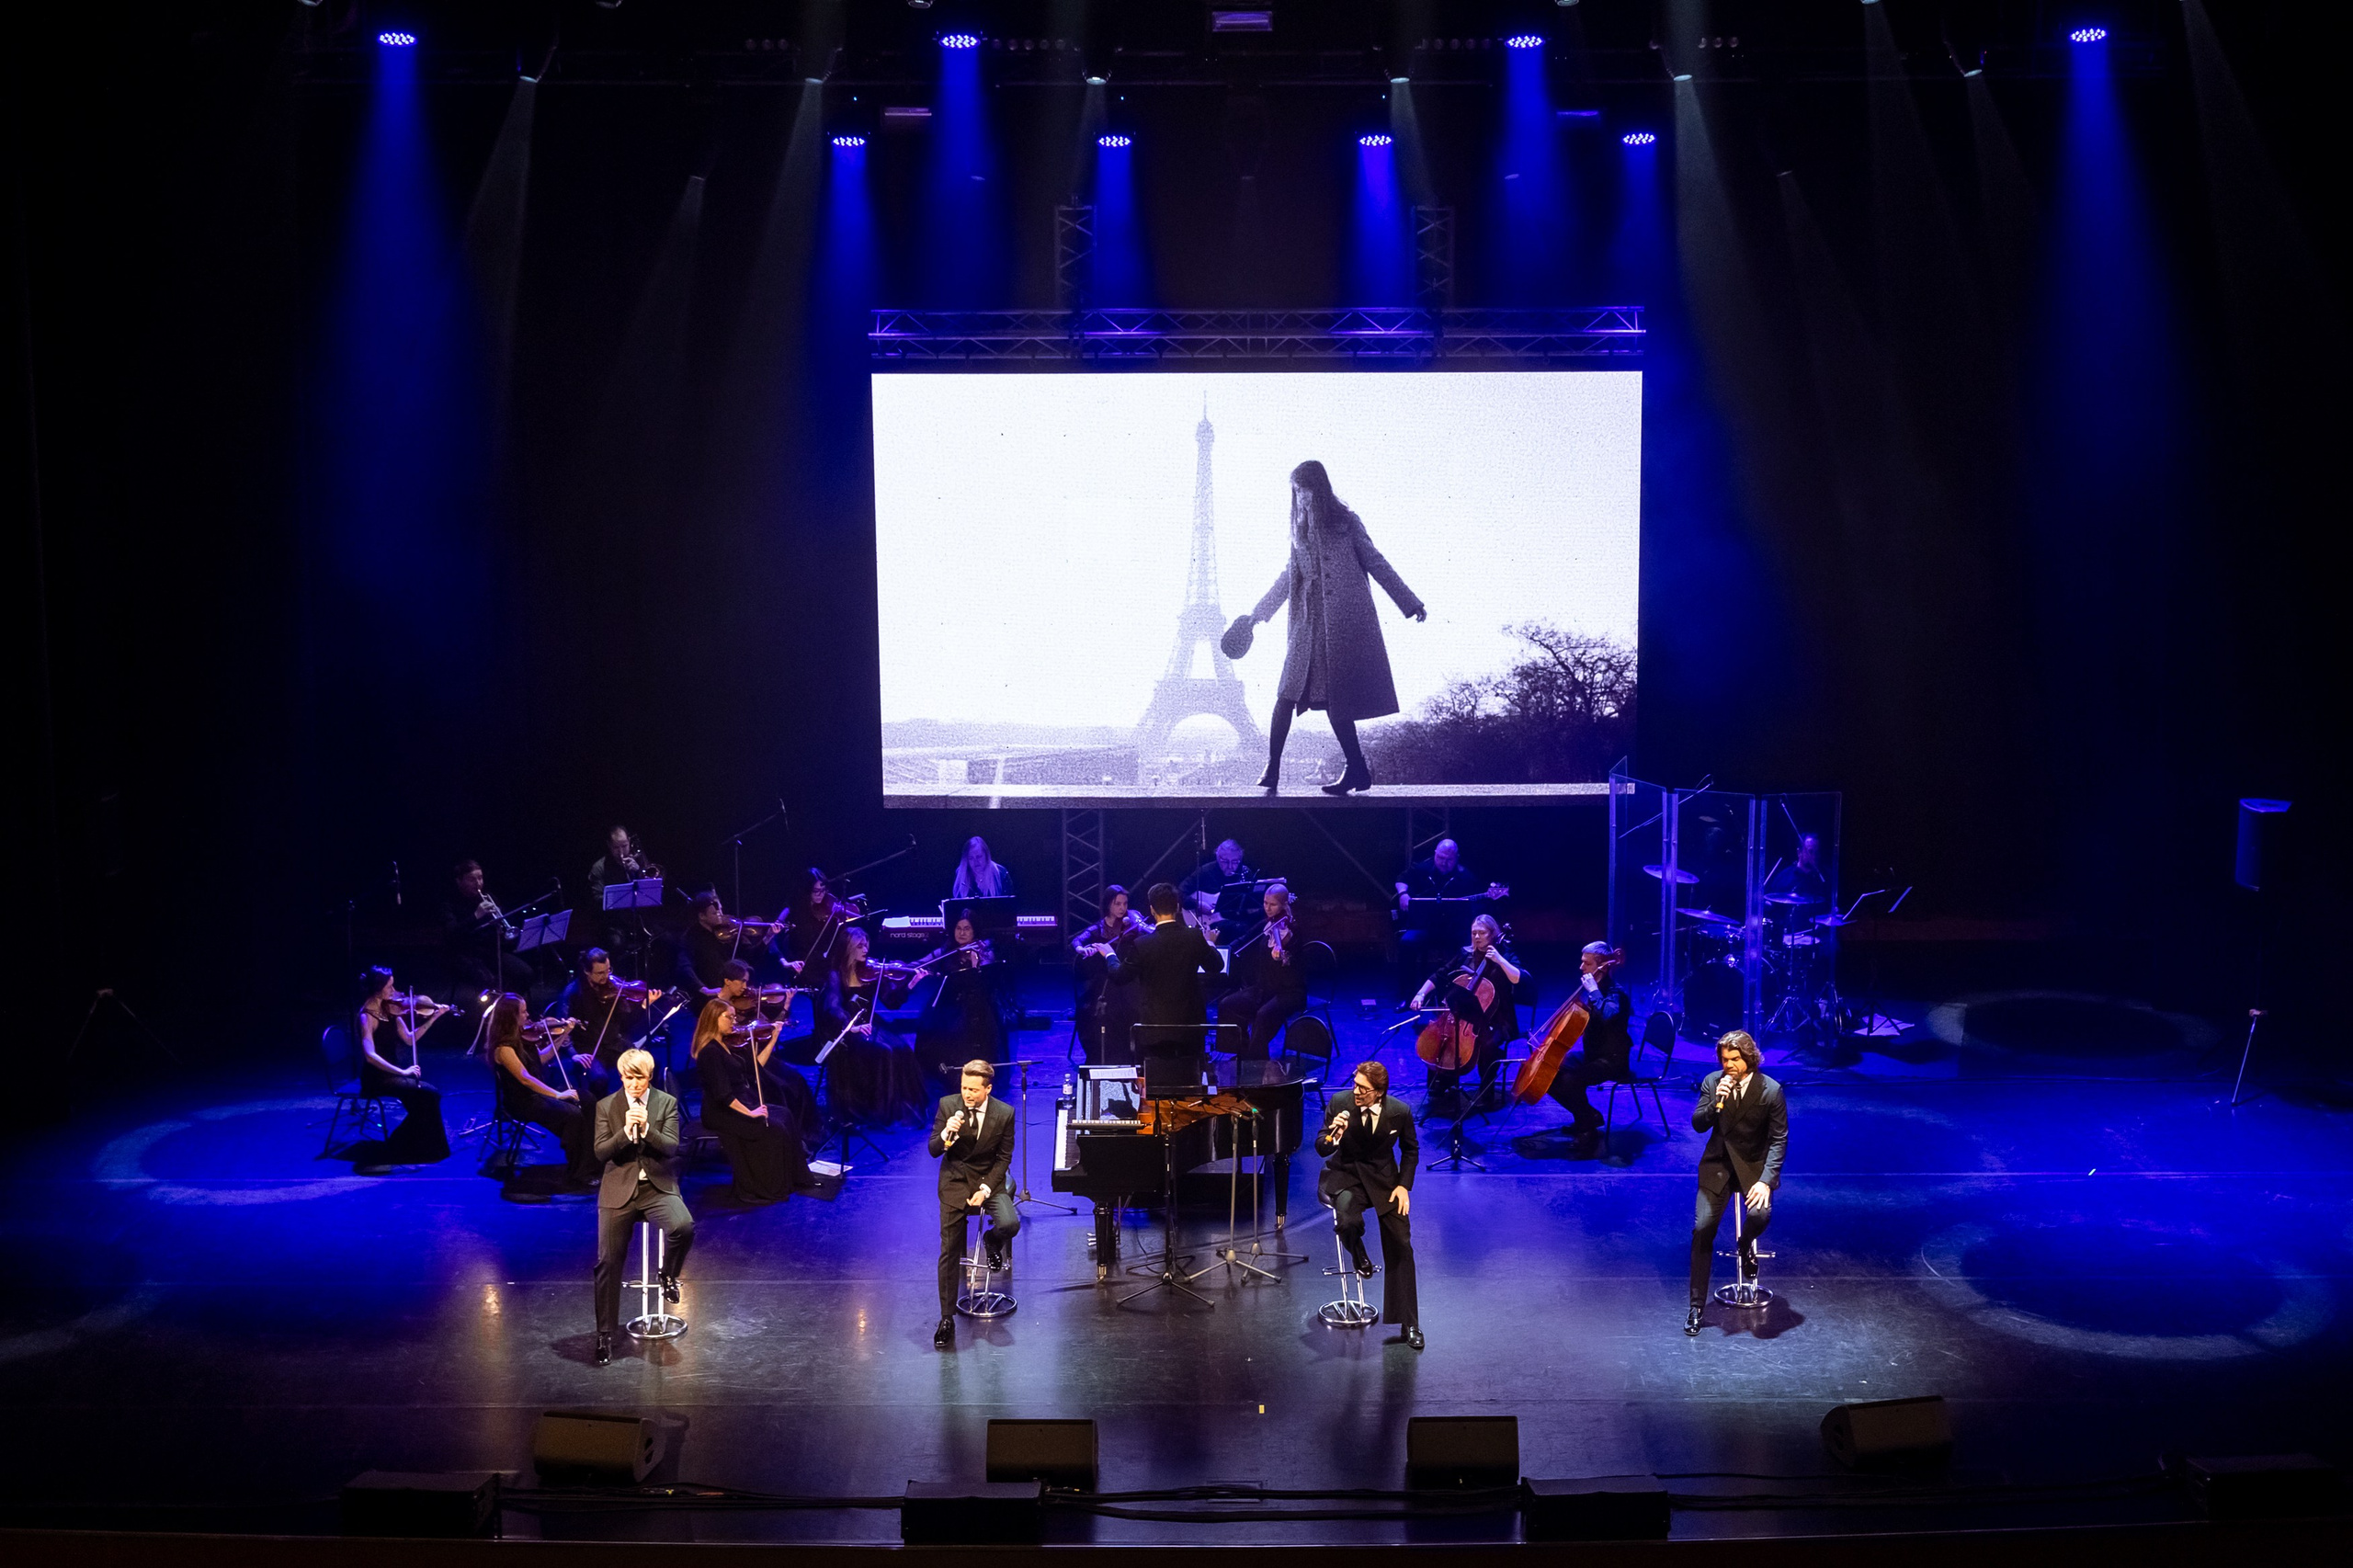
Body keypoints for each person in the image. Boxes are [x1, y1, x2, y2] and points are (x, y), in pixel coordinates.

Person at [1240, 460, 1427, 796]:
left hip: (1340, 626)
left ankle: (1356, 768)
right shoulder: (1298, 532)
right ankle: (1273, 767)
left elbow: (1375, 560)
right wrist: (1256, 615)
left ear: (1318, 488)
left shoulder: (1346, 523)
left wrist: (1409, 601)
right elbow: (1287, 578)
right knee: (1286, 694)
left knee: (1336, 702)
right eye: (1296, 491)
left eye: (1304, 489)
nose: (1300, 497)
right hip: (1306, 626)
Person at [592, 1048, 692, 1367]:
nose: (633, 1084)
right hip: (619, 1190)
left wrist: (648, 1129)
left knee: (682, 1226)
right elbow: (600, 1152)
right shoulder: (606, 1106)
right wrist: (625, 1132)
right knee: (608, 1261)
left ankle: (668, 1275)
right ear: (621, 1076)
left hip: (656, 1187)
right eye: (627, 1077)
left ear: (649, 1077)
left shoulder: (666, 1103)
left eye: (639, 1078)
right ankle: (605, 1335)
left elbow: (673, 1147)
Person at [1314, 1060, 1421, 1349]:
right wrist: (1333, 1136)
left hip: (1384, 1181)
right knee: (1348, 1221)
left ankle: (1409, 1323)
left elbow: (1411, 1150)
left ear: (1379, 1092)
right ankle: (1359, 1253)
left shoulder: (1399, 1112)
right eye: (1356, 1084)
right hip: (1346, 1175)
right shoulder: (1340, 1102)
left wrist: (1403, 1186)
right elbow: (1320, 1145)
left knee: (1401, 1243)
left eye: (1363, 1088)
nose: (1356, 1091)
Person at [1687, 1030, 1788, 1335]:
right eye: (1724, 1059)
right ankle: (1695, 1307)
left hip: (1753, 1167)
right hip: (1717, 1165)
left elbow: (1778, 1140)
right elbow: (1698, 1124)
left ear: (1748, 1058)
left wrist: (1766, 1181)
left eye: (1734, 1059)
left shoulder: (1770, 1090)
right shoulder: (1713, 1082)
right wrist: (1717, 1102)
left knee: (1759, 1216)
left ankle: (1745, 1247)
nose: (1728, 1065)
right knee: (1702, 1228)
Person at [692, 979, 811, 1205]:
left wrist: (773, 1038)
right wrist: (751, 1113)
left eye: (734, 1017)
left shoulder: (727, 1044)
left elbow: (755, 1067)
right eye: (729, 1017)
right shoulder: (709, 1052)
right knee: (773, 1128)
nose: (734, 1021)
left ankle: (794, 1178)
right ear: (713, 1019)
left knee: (784, 1114)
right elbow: (722, 1096)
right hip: (721, 1112)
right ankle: (767, 1186)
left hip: (738, 1102)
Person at [928, 1059, 1020, 1350]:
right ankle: (946, 1318)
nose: (967, 1094)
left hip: (988, 1180)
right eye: (964, 1087)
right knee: (950, 1249)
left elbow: (1003, 1158)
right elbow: (933, 1150)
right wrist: (946, 1136)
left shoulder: (1004, 1113)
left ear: (987, 1089)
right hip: (954, 1180)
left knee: (1009, 1223)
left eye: (973, 1089)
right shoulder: (947, 1106)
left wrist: (985, 1188)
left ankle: (992, 1240)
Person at [1409, 914, 1528, 1115]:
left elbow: (1519, 979)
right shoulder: (1465, 953)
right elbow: (1439, 975)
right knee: (1444, 1038)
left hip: (1497, 1018)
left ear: (1493, 934)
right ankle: (1442, 1081)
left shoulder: (1505, 952)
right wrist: (1420, 994)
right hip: (1464, 1014)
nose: (1477, 937)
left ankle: (1486, 1092)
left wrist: (1499, 960)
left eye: (1482, 933)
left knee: (1488, 1045)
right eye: (1474, 933)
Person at [816, 928, 928, 1126]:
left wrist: (911, 984)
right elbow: (833, 1006)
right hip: (849, 1027)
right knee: (884, 1052)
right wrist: (850, 1026)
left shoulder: (873, 971)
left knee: (902, 1049)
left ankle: (898, 1106)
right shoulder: (836, 974)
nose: (866, 949)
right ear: (848, 948)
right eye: (860, 946)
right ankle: (878, 1109)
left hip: (870, 1022)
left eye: (867, 944)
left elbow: (891, 1002)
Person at [487, 993, 598, 1187]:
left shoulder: (522, 1036)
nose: (527, 1015)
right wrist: (558, 1094)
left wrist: (564, 1033)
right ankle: (578, 1172)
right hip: (523, 1101)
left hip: (535, 1095)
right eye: (522, 1012)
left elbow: (542, 1058)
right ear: (510, 1017)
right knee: (573, 1115)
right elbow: (526, 1079)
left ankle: (589, 1161)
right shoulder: (503, 1048)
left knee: (587, 1099)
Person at [1108, 881, 1224, 1055]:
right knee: (1191, 1076)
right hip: (1190, 1026)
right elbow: (1216, 966)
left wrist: (1109, 954)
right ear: (1177, 907)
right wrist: (1210, 943)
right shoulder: (1194, 937)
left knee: (1157, 1075)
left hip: (1155, 1027)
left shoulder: (1142, 944)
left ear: (1152, 910)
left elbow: (1119, 976)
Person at [353, 968, 452, 1166]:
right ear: (378, 989)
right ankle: (396, 1146)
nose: (394, 990)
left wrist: (434, 1017)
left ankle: (425, 1148)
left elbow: (410, 1039)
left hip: (391, 1074)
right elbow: (370, 1056)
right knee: (429, 1094)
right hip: (377, 1078)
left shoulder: (388, 1010)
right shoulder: (367, 1017)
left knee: (427, 1098)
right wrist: (403, 1072)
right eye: (390, 986)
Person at [1543, 940, 1632, 1147]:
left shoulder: (1615, 992)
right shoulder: (1598, 989)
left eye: (1587, 963)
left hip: (1613, 1059)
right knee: (1548, 1071)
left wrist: (1593, 992)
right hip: (1594, 1054)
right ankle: (1587, 1116)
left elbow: (1609, 1015)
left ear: (1603, 964)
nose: (1581, 967)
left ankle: (1587, 1129)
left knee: (1571, 1080)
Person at [554, 949, 662, 1113]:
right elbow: (561, 1029)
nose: (606, 977)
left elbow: (626, 1024)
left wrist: (643, 1007)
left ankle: (645, 1112)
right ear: (586, 972)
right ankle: (600, 1119)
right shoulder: (573, 994)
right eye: (600, 973)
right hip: (589, 1050)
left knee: (650, 1065)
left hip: (614, 1044)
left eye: (608, 970)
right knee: (599, 1079)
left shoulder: (613, 987)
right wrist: (573, 1053)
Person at [1394, 837, 1509, 989]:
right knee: (1406, 943)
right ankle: (1406, 994)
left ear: (1457, 858)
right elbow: (1401, 879)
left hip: (1453, 930)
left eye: (1449, 859)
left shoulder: (1466, 878)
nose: (1444, 862)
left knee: (1472, 944)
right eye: (1440, 857)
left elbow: (1476, 910)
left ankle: (1466, 989)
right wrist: (1403, 894)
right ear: (1435, 853)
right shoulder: (1423, 868)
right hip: (1424, 928)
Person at [1215, 882, 1306, 1058]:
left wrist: (1281, 957)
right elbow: (1243, 939)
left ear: (1284, 904)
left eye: (1273, 904)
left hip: (1289, 992)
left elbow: (1291, 955)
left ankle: (1256, 1061)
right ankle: (1241, 1052)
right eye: (1265, 903)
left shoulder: (1292, 929)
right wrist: (1221, 951)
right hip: (1263, 988)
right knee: (1227, 1005)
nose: (1268, 908)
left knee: (1263, 1015)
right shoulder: (1267, 924)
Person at [915, 912, 1006, 1085]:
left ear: (974, 931)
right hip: (949, 1002)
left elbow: (984, 981)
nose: (961, 933)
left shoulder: (985, 951)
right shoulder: (946, 950)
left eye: (967, 929)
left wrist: (975, 962)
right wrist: (897, 968)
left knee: (964, 1027)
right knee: (931, 1025)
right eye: (958, 928)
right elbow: (920, 963)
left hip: (976, 1003)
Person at [1071, 885, 1151, 1063]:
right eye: (1118, 904)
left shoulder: (1133, 922)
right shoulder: (1099, 928)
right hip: (1107, 980)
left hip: (1128, 976)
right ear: (1108, 905)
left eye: (1125, 904)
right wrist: (1083, 949)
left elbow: (1148, 932)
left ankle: (1133, 1048)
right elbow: (1077, 941)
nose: (1123, 908)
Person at [443, 860, 537, 998]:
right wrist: (476, 916)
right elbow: (452, 935)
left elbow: (502, 933)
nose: (478, 883)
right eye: (471, 879)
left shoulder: (490, 897)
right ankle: (490, 1012)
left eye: (480, 878)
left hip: (489, 951)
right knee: (488, 981)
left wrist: (500, 925)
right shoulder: (449, 903)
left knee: (525, 973)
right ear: (459, 881)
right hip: (464, 953)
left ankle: (509, 1007)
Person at [1178, 838, 1260, 945]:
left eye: (1235, 862)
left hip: (1238, 919)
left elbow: (1253, 900)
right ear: (1217, 857)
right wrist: (1198, 904)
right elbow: (1179, 892)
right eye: (1225, 862)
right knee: (1240, 928)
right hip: (1212, 924)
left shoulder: (1245, 872)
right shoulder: (1205, 871)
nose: (1231, 866)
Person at [587, 825, 658, 903]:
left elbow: (652, 888)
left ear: (629, 841)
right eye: (616, 847)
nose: (621, 852)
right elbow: (598, 898)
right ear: (609, 845)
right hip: (615, 913)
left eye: (624, 846)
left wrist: (639, 871)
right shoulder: (599, 867)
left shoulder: (639, 859)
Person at [949, 835, 1014, 900]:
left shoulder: (1000, 872)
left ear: (986, 855)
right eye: (970, 858)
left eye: (979, 856)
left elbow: (1009, 903)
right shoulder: (960, 874)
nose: (975, 862)